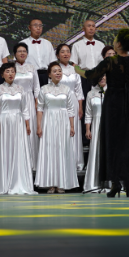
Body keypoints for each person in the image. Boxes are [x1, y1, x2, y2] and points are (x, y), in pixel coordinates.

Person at [80, 28, 129, 198]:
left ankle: (115, 183)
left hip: (113, 103)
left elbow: (90, 75)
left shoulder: (110, 61)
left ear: (119, 44)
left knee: (113, 143)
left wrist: (75, 67)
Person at [0, 63, 35, 195]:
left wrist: (27, 124)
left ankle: (19, 182)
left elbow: (25, 108)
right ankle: (3, 183)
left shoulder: (21, 89)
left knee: (19, 149)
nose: (10, 74)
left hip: (19, 122)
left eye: (13, 71)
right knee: (4, 149)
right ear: (2, 74)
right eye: (7, 71)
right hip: (4, 121)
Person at [36, 62, 78, 194]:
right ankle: (50, 183)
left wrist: (72, 125)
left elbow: (70, 109)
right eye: (55, 71)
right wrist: (39, 126)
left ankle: (62, 182)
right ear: (49, 74)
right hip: (48, 121)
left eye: (59, 71)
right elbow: (40, 109)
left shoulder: (66, 89)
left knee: (62, 150)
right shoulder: (44, 89)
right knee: (50, 150)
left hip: (63, 121)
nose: (58, 73)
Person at [56, 44, 84, 171]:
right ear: (57, 55)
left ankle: (75, 160)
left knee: (74, 130)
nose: (66, 54)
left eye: (68, 51)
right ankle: (62, 160)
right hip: (59, 101)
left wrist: (80, 107)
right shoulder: (55, 69)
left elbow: (79, 90)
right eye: (62, 52)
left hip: (73, 101)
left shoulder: (75, 70)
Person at [13, 42, 40, 169]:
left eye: (24, 51)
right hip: (15, 100)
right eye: (19, 51)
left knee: (31, 129)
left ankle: (32, 161)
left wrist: (36, 101)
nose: (22, 53)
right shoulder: (11, 67)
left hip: (29, 99)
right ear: (14, 54)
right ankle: (19, 161)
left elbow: (36, 86)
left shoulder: (31, 67)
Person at [71, 19, 105, 119]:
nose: (91, 28)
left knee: (99, 102)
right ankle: (85, 128)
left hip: (99, 78)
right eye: (89, 26)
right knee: (85, 104)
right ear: (83, 29)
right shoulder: (77, 45)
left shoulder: (101, 45)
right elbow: (74, 64)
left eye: (93, 26)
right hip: (84, 77)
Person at [82, 74, 107, 193]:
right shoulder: (90, 94)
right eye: (100, 76)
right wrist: (88, 129)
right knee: (96, 151)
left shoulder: (113, 91)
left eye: (104, 76)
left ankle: (112, 183)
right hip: (96, 125)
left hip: (110, 125)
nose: (102, 78)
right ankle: (95, 182)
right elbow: (88, 114)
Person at [21, 19, 55, 86]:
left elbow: (52, 62)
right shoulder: (23, 44)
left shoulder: (47, 43)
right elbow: (18, 63)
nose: (38, 28)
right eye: (35, 26)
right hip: (30, 76)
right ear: (29, 27)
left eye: (40, 26)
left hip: (46, 76)